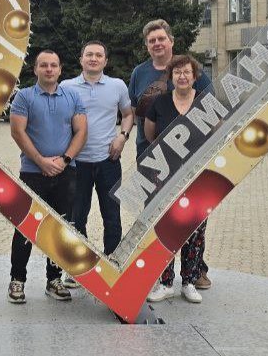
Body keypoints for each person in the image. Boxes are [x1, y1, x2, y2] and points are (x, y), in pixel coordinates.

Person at [129, 21, 214, 302]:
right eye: (152, 39)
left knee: (193, 221)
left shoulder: (198, 81)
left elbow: (214, 119)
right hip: (154, 162)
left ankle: (193, 274)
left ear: (171, 41)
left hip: (194, 168)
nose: (157, 43)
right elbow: (143, 123)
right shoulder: (140, 75)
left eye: (161, 38)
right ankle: (161, 278)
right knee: (158, 219)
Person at [7, 50, 87, 305]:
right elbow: (18, 132)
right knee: (25, 229)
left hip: (65, 172)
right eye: (44, 65)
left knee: (59, 228)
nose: (49, 69)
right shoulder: (24, 96)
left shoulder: (73, 96)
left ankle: (54, 279)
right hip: (33, 172)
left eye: (54, 65)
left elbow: (81, 131)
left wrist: (63, 160)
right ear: (36, 69)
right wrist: (41, 161)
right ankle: (17, 280)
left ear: (60, 70)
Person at [61, 41, 133, 287]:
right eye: (89, 54)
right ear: (81, 59)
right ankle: (76, 268)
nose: (93, 58)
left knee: (112, 216)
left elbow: (128, 114)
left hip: (108, 161)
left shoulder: (117, 86)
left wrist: (122, 137)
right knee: (75, 216)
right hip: (76, 163)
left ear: (105, 60)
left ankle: (113, 263)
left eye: (98, 55)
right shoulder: (66, 86)